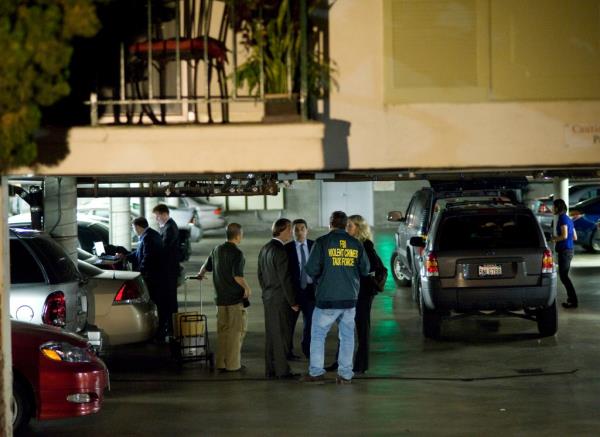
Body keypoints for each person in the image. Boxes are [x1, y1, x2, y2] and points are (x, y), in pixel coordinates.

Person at [301, 211, 370, 385]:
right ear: (346, 224)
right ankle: (345, 374)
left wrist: (321, 278)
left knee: (318, 335)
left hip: (327, 299)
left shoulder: (322, 242)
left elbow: (310, 269)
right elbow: (365, 269)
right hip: (349, 299)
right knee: (347, 336)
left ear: (330, 223)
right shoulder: (356, 243)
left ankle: (316, 372)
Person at [197, 223, 251, 372]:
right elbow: (237, 276)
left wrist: (200, 275)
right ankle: (233, 365)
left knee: (223, 332)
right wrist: (247, 287)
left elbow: (204, 267)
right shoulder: (237, 253)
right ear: (239, 235)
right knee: (236, 331)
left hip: (220, 299)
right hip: (234, 300)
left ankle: (221, 363)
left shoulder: (216, 250)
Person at [258, 218, 300, 379]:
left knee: (271, 335)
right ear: (282, 230)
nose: (291, 233)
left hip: (269, 297)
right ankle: (282, 371)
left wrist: (267, 291)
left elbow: (260, 275)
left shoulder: (265, 248)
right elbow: (285, 279)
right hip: (280, 299)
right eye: (289, 230)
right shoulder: (280, 250)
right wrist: (293, 302)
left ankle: (271, 369)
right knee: (281, 335)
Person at [121, 217, 166, 340]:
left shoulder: (148, 238)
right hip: (156, 276)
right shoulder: (149, 235)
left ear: (138, 227)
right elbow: (138, 254)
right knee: (156, 302)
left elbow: (147, 258)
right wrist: (126, 256)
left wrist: (139, 274)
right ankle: (159, 331)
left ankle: (158, 332)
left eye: (133, 227)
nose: (133, 230)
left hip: (152, 277)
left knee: (154, 302)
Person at [285, 219, 315, 359]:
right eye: (296, 229)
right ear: (292, 232)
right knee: (289, 324)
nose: (299, 232)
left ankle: (307, 349)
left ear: (307, 230)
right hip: (294, 292)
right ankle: (288, 351)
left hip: (310, 291)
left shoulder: (314, 245)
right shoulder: (287, 248)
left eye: (302, 228)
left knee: (310, 323)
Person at [152, 203, 180, 337]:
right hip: (170, 270)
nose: (156, 219)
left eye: (157, 216)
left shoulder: (169, 228)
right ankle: (171, 328)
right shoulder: (168, 226)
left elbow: (165, 248)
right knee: (170, 301)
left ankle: (172, 329)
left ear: (164, 214)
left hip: (169, 271)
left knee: (169, 301)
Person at [551, 198, 578, 309]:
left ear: (558, 207)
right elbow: (575, 237)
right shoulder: (569, 219)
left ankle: (573, 301)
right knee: (564, 276)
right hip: (569, 250)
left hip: (565, 251)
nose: (553, 209)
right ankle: (572, 300)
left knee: (564, 277)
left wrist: (555, 239)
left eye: (554, 207)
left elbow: (564, 235)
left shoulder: (562, 219)